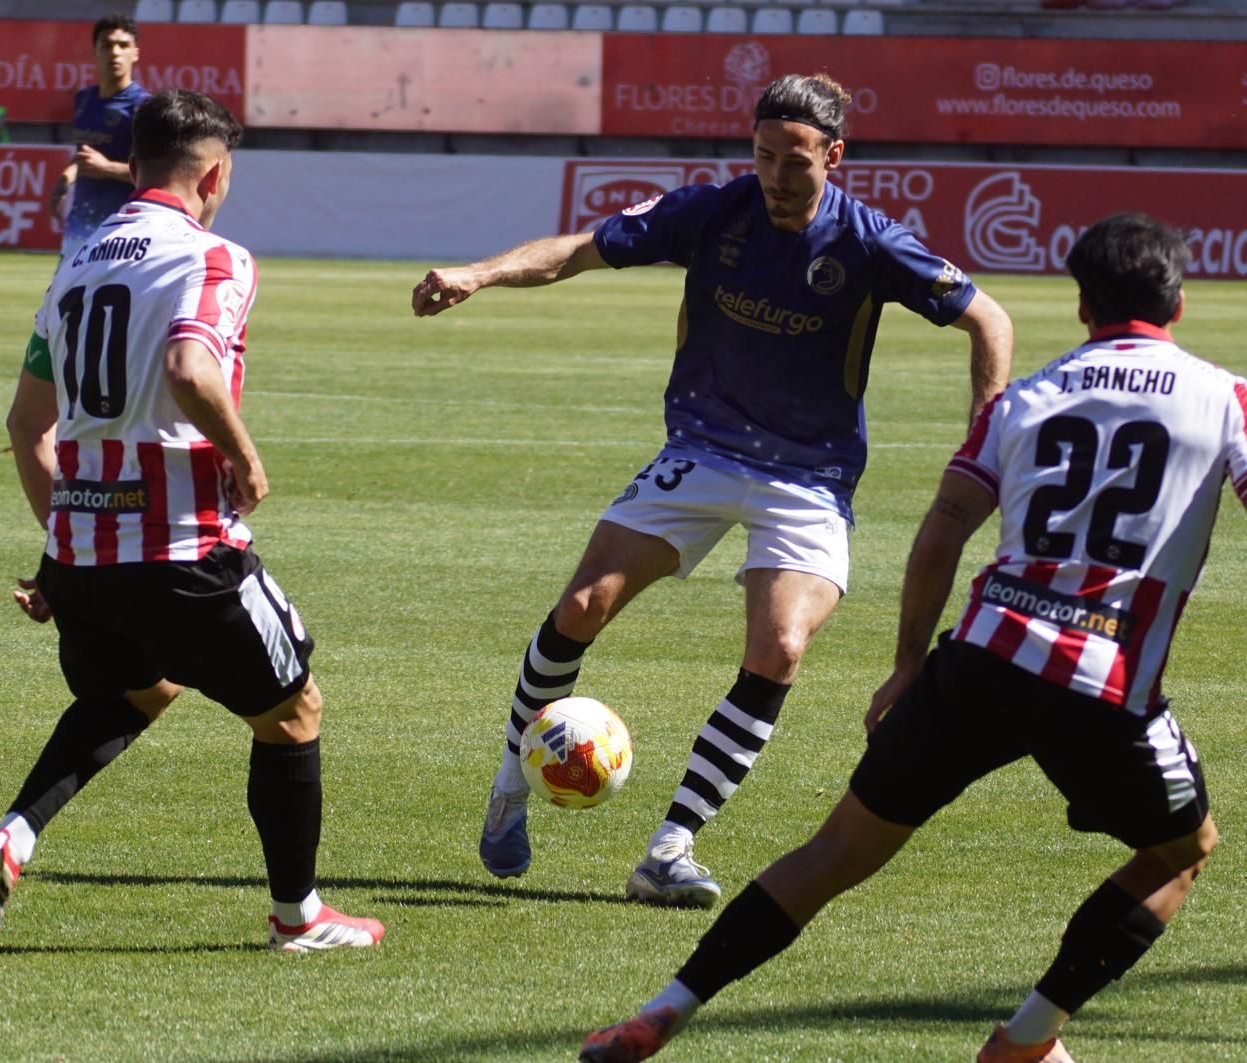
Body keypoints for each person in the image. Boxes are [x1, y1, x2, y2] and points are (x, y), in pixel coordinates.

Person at [579, 212, 1234, 1063]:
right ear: (1179, 300)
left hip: (978, 662)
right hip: (1100, 684)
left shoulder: (1026, 399)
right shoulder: (1223, 396)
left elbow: (940, 531)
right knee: (1184, 850)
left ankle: (664, 1008)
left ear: (1081, 307)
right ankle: (1027, 1039)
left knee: (836, 851)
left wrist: (905, 668)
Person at [412, 73, 1013, 907]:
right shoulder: (713, 211)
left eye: (794, 162)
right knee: (581, 607)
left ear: (834, 157)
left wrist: (987, 436)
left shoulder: (870, 241)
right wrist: (478, 274)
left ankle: (669, 847)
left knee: (782, 650)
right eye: (763, 156)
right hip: (701, 450)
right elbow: (581, 250)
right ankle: (514, 780)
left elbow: (989, 317)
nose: (774, 176)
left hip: (810, 476)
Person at [0, 88, 385, 955]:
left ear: (137, 164)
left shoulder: (73, 268)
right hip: (184, 552)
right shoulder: (216, 257)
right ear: (214, 175)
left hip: (80, 556)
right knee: (295, 709)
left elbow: (23, 425)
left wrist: (55, 551)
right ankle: (298, 918)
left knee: (140, 686)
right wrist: (248, 455)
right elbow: (191, 368)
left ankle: (14, 836)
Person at [49, 15, 151, 258]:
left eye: (123, 46)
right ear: (95, 51)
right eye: (107, 45)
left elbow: (158, 175)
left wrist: (107, 168)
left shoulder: (145, 107)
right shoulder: (84, 100)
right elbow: (86, 154)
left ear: (135, 53)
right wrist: (66, 178)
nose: (115, 53)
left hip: (122, 235)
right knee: (63, 296)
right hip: (78, 228)